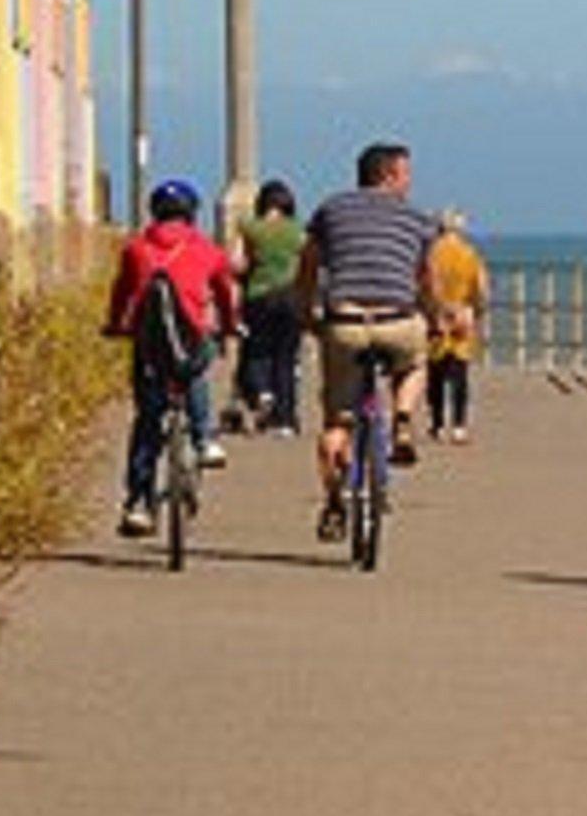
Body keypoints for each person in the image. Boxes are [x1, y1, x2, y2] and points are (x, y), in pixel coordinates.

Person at [297, 141, 433, 540]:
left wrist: (308, 314)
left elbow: (308, 267)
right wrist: (435, 314)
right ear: (390, 175)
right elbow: (426, 277)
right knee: (415, 363)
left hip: (345, 323)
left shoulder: (331, 210)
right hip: (397, 320)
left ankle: (336, 504)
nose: (409, 182)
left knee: (336, 419)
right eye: (406, 174)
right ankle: (403, 419)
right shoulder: (417, 219)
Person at [103, 179, 244, 538]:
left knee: (148, 420)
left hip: (149, 345)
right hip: (190, 339)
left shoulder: (136, 249)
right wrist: (230, 326)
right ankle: (203, 437)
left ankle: (138, 502)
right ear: (192, 213)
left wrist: (115, 325)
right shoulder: (207, 250)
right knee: (196, 364)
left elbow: (122, 292)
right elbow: (225, 294)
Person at [232, 179, 308, 433]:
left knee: (258, 351)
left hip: (259, 296)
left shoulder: (249, 228)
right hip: (292, 297)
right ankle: (285, 420)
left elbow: (237, 264)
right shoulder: (298, 231)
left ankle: (262, 392)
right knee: (286, 358)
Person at [422, 209, 490, 443]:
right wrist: (476, 312)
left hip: (436, 317)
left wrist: (430, 312)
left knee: (436, 375)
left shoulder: (431, 253)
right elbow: (481, 289)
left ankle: (437, 424)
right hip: (462, 315)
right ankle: (459, 426)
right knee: (459, 374)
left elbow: (422, 286)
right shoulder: (469, 254)